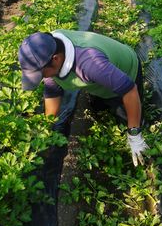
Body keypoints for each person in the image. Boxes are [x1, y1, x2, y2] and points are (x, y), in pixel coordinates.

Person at [18, 29, 148, 166]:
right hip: (100, 80)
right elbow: (53, 92)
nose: (43, 77)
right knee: (98, 105)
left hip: (126, 72)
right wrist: (45, 128)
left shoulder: (90, 64)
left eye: (42, 74)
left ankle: (138, 134)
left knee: (125, 115)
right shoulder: (49, 48)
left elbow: (130, 90)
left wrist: (134, 133)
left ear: (55, 59)